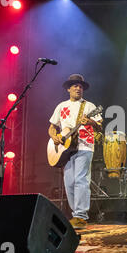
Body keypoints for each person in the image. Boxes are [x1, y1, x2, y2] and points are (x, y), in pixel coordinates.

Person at [49, 74, 103, 229]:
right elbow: (52, 127)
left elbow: (100, 125)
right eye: (75, 86)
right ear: (68, 88)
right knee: (69, 182)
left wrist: (91, 121)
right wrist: (55, 137)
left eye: (80, 86)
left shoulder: (89, 106)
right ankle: (76, 215)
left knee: (81, 179)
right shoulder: (61, 106)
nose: (78, 88)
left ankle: (81, 215)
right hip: (66, 149)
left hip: (85, 146)